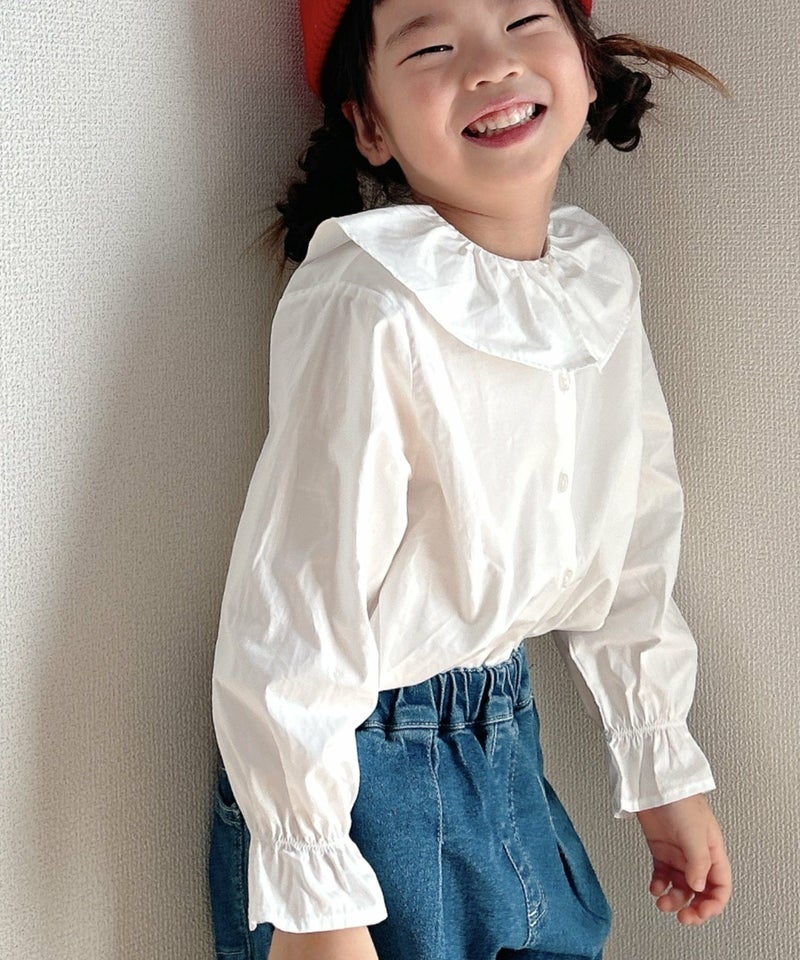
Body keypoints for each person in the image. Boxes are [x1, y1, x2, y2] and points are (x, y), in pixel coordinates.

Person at [208, 0, 733, 957]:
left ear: (583, 60)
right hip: (357, 772)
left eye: (525, 16)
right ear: (370, 124)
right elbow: (298, 597)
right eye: (434, 44)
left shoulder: (599, 279)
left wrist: (661, 760)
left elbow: (633, 533)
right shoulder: (367, 299)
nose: (490, 63)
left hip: (507, 732)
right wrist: (315, 888)